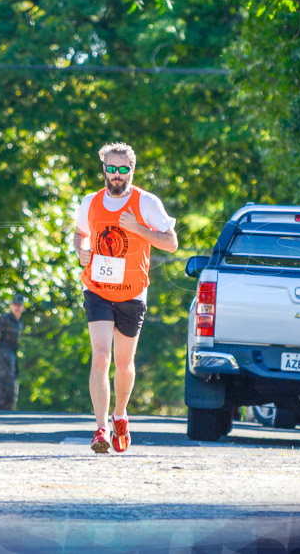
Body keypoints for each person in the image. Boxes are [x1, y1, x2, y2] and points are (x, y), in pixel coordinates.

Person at [74, 142, 178, 453]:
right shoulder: (90, 202)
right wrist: (81, 250)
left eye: (123, 169)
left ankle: (120, 415)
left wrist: (137, 228)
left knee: (123, 362)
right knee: (101, 356)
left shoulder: (145, 203)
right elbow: (80, 234)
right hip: (97, 289)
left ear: (131, 170)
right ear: (103, 168)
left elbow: (171, 243)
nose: (116, 175)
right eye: (111, 168)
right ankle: (101, 428)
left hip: (132, 292)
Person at [0, 294, 26, 410]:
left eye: (19, 305)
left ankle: (8, 410)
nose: (17, 307)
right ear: (11, 306)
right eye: (15, 305)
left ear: (23, 307)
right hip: (2, 354)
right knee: (4, 383)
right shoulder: (4, 319)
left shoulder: (19, 322)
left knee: (12, 385)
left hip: (12, 354)